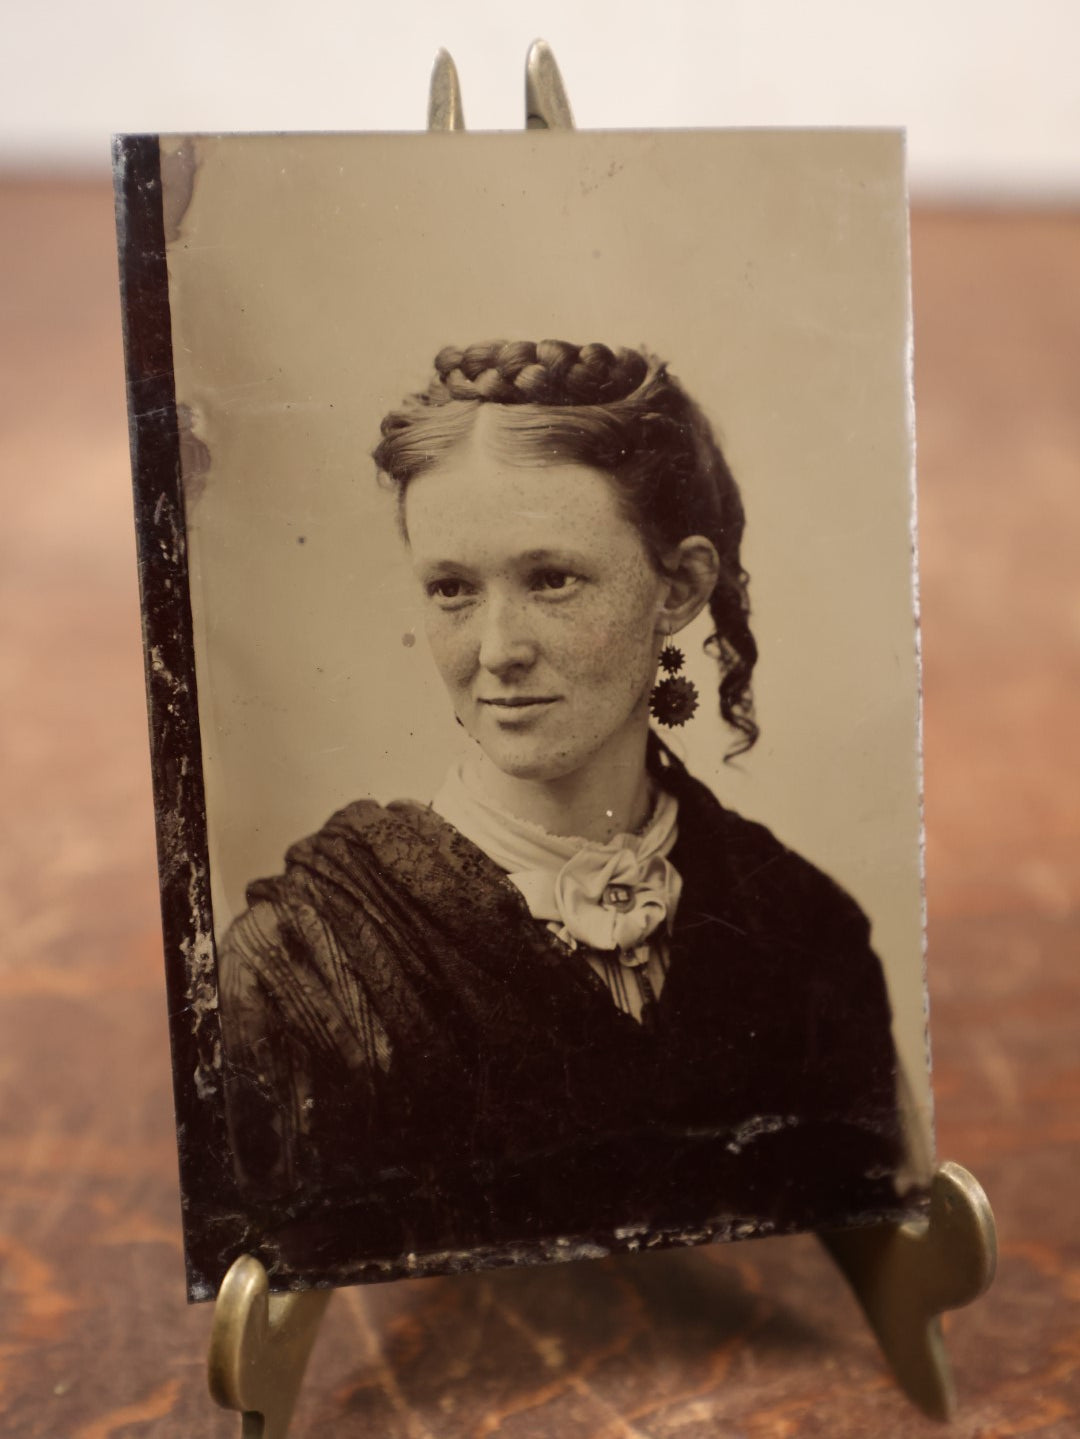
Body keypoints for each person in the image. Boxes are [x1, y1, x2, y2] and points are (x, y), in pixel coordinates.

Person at [217, 339, 911, 1283]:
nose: (497, 649)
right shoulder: (296, 965)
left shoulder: (807, 931)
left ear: (681, 587)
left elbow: (863, 1249)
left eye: (551, 579)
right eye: (453, 588)